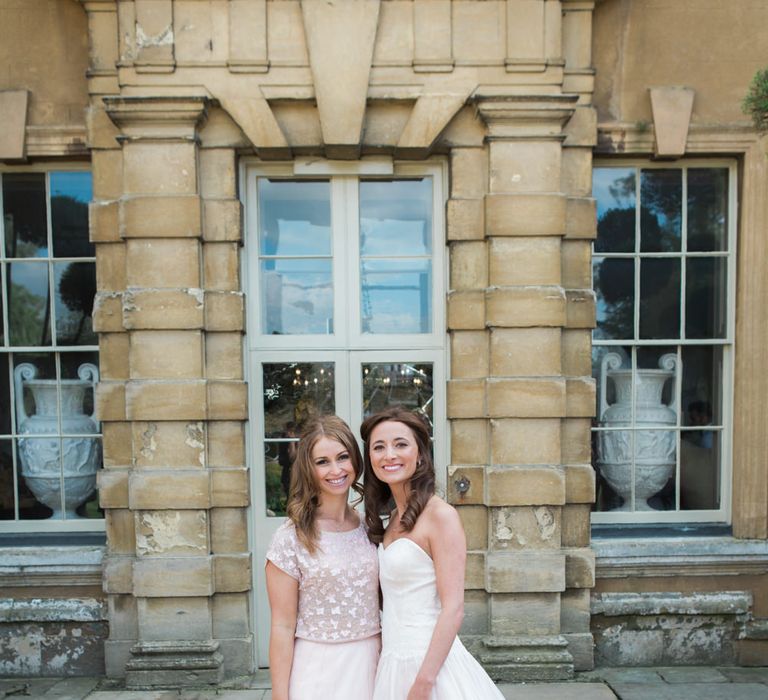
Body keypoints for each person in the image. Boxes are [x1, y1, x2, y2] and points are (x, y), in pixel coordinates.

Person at [361, 406, 503, 700]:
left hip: (431, 667)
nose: (389, 454)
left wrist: (424, 683)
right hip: (392, 662)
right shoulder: (391, 522)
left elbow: (453, 608)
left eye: (400, 444)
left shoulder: (441, 516)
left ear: (421, 454)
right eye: (379, 447)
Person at [266, 415, 381, 700]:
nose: (336, 469)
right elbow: (282, 626)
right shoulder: (291, 537)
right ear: (308, 468)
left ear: (355, 459)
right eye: (322, 462)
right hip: (318, 670)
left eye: (343, 457)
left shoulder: (371, 527)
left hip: (372, 663)